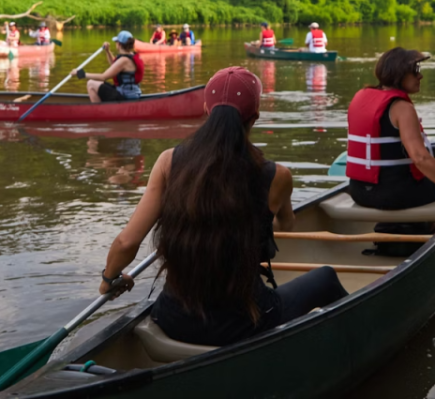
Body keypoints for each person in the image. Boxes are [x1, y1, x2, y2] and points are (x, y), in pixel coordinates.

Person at [96, 67, 348, 346]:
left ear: (206, 109)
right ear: (255, 118)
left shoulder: (169, 162)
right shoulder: (277, 176)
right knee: (326, 279)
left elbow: (126, 242)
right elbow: (286, 225)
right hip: (244, 323)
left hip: (173, 318)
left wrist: (109, 280)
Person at [346, 47, 435, 210]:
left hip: (359, 192)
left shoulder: (360, 98)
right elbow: (420, 158)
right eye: (415, 71)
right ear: (399, 73)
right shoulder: (402, 107)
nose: (420, 76)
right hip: (396, 195)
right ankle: (429, 223)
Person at [75, 31, 144, 103]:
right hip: (126, 94)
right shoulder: (130, 55)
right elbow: (114, 65)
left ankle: (99, 111)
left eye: (116, 42)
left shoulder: (124, 60)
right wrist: (107, 51)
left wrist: (81, 74)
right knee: (97, 82)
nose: (115, 44)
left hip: (126, 97)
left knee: (91, 83)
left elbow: (103, 76)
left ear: (119, 44)